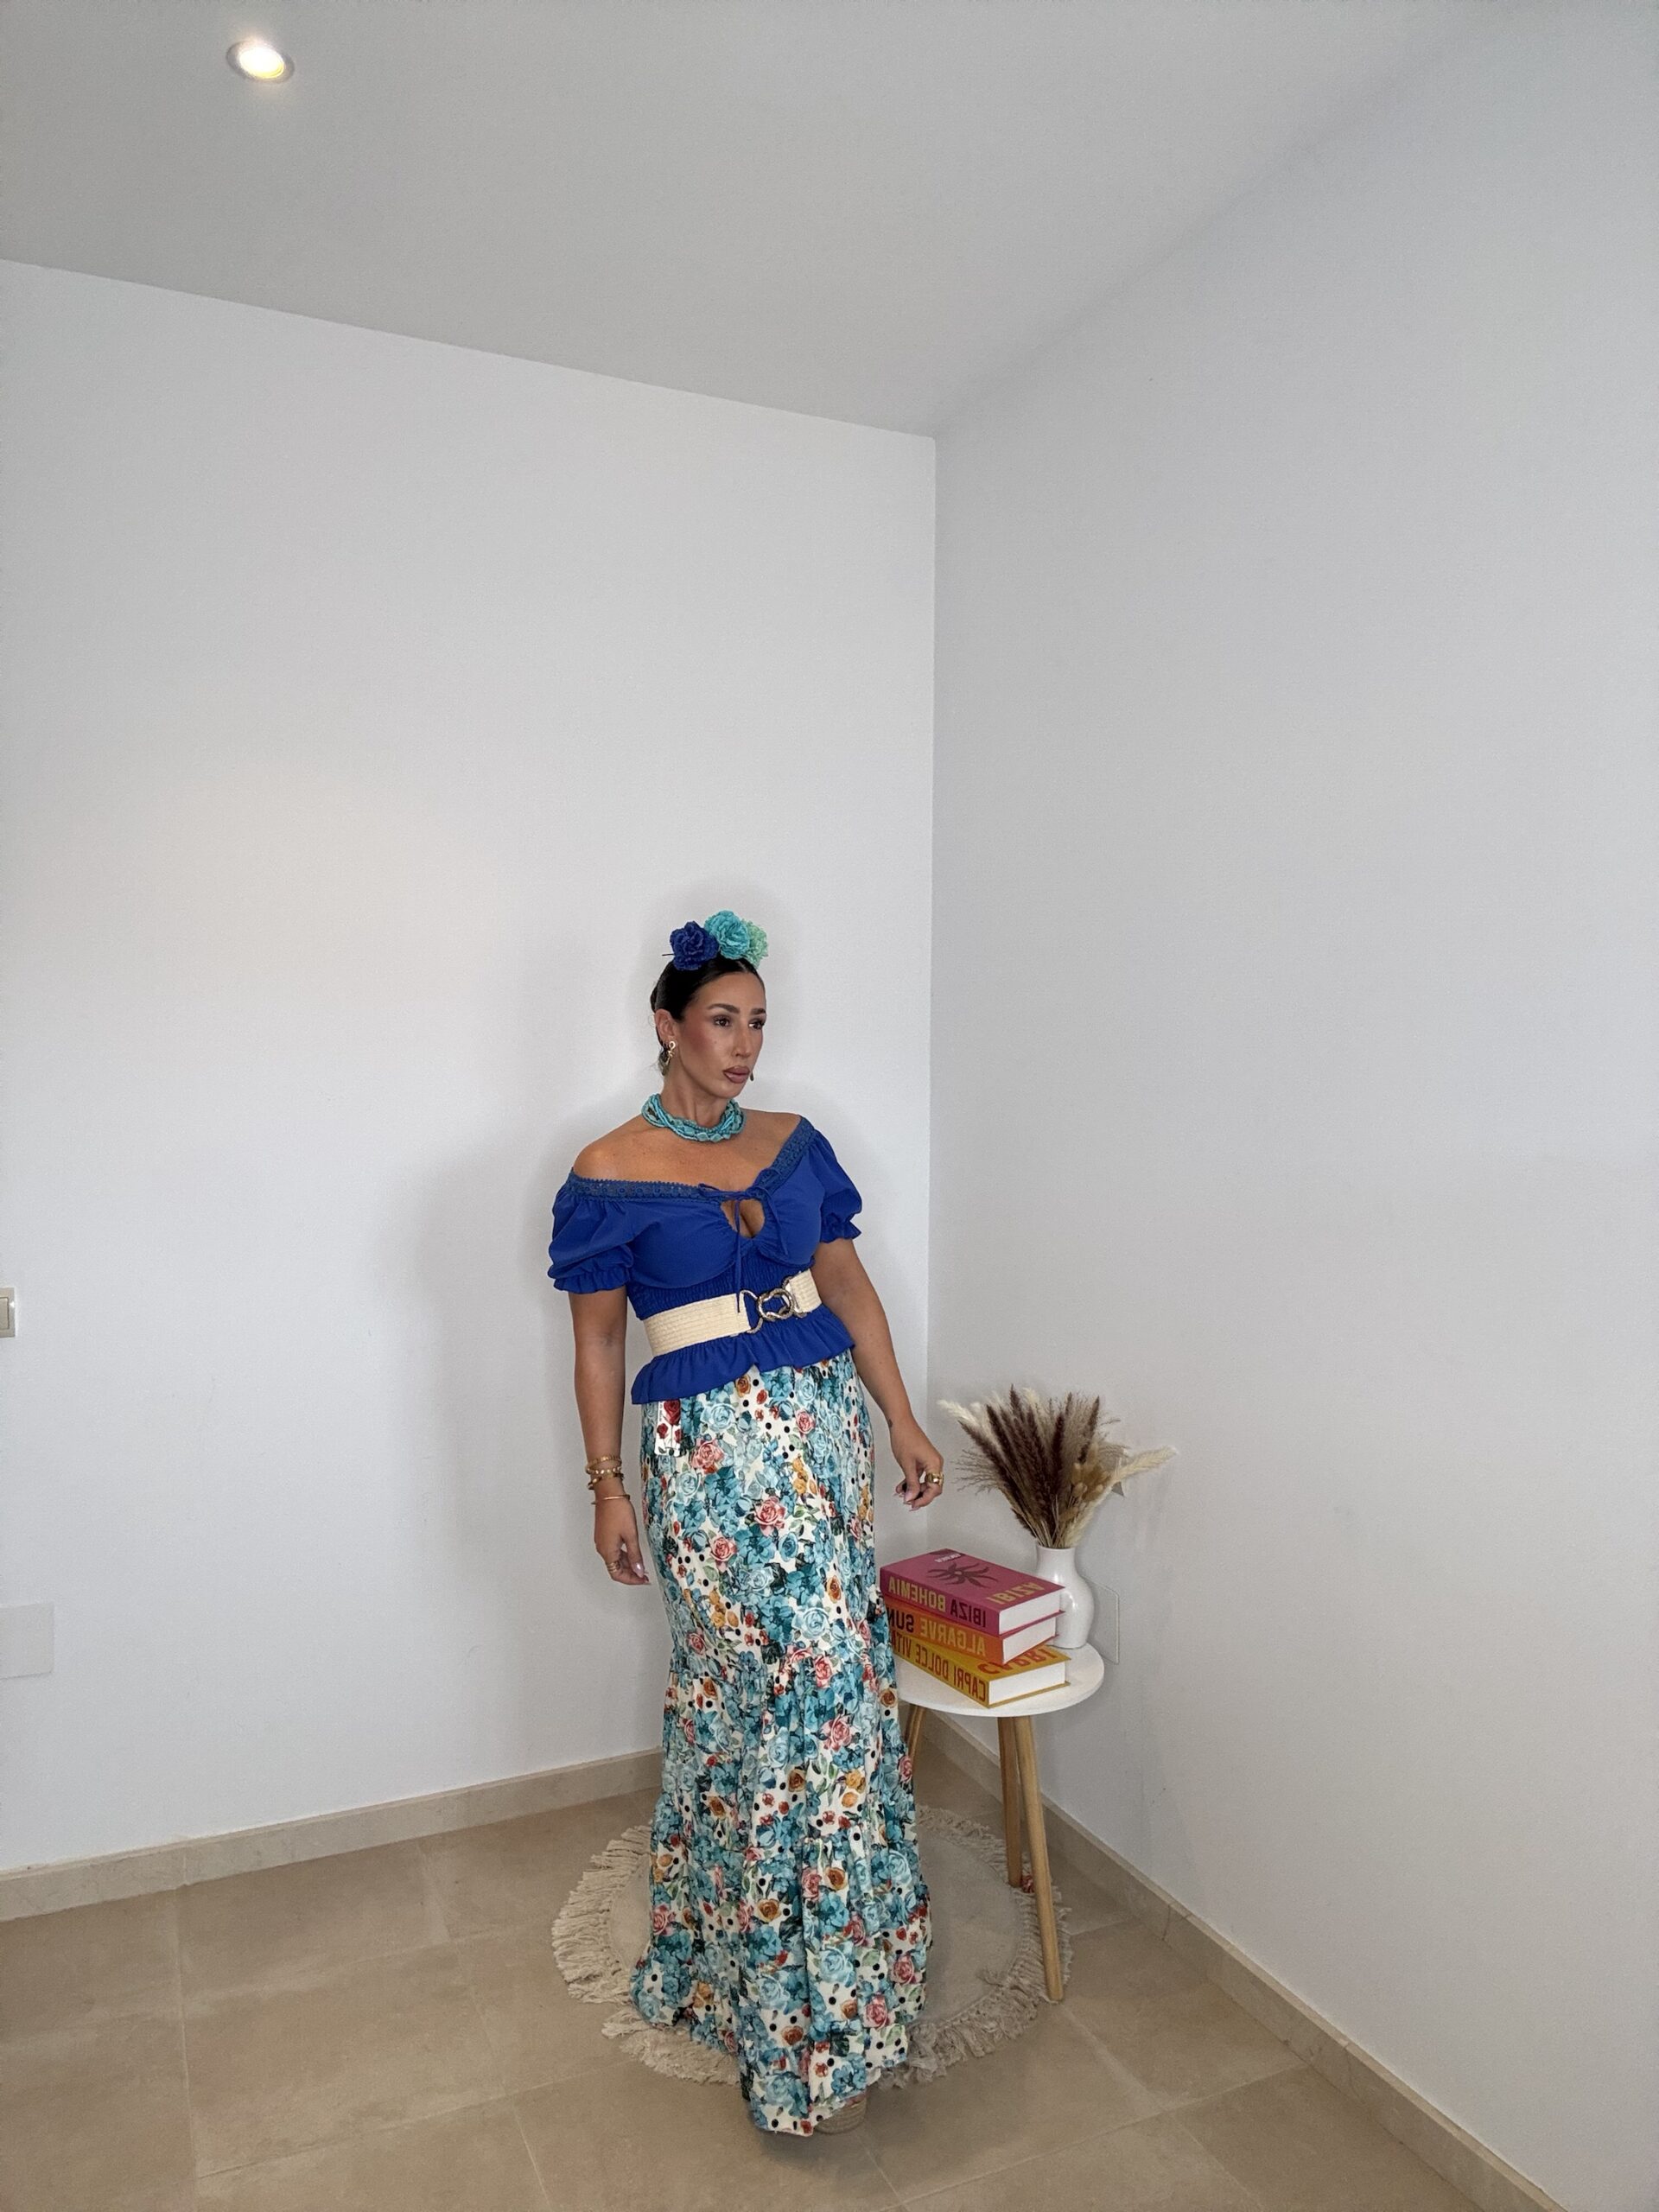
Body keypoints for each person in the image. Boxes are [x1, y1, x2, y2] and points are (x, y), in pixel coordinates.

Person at [547, 909, 944, 2137]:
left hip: (821, 1432)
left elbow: (847, 1285)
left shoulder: (795, 1144)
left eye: (759, 1022)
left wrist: (900, 1417)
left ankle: (853, 1965)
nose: (745, 1045)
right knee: (760, 1690)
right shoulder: (607, 1171)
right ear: (666, 1026)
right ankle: (772, 1987)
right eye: (723, 1020)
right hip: (708, 1459)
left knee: (837, 1680)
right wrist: (605, 1485)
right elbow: (599, 1344)